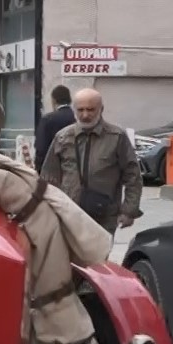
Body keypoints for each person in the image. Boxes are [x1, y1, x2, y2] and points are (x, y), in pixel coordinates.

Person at [40, 87, 142, 235]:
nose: (85, 115)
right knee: (66, 258)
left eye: (91, 109)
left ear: (101, 109)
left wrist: (128, 211)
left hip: (103, 217)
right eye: (80, 110)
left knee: (98, 258)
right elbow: (48, 177)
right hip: (68, 215)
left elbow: (133, 176)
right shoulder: (62, 137)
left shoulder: (116, 137)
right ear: (74, 110)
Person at [35, 85, 75, 169]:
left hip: (52, 168)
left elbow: (41, 148)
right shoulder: (76, 117)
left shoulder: (47, 119)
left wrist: (39, 169)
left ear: (53, 100)